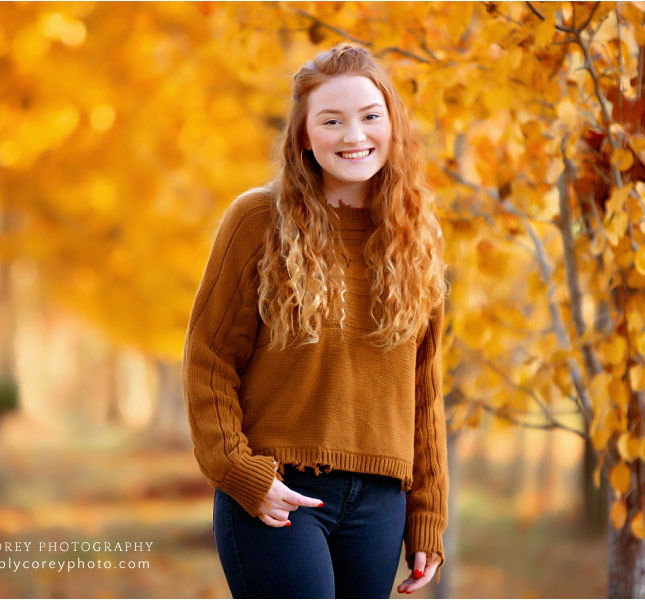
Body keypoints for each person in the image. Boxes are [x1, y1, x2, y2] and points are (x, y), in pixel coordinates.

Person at [181, 43, 449, 599]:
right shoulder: (258, 221)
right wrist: (240, 472)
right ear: (304, 135)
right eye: (332, 121)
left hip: (380, 504)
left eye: (370, 117)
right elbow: (208, 359)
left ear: (392, 125)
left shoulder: (418, 238)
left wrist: (427, 515)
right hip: (279, 491)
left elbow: (423, 391)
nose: (355, 136)